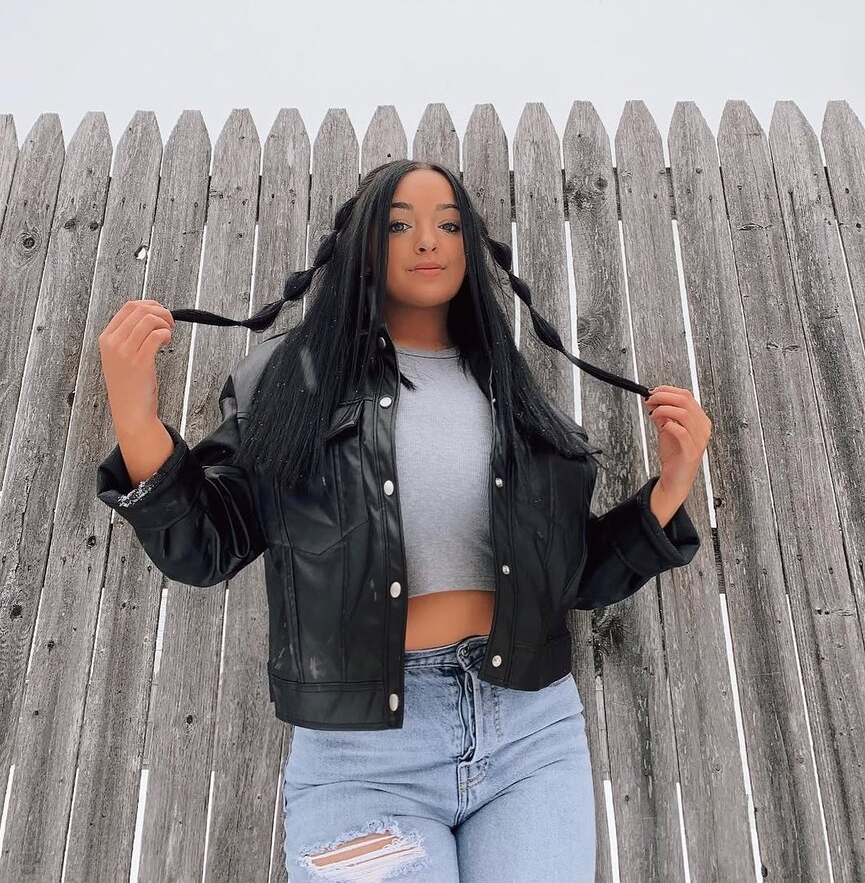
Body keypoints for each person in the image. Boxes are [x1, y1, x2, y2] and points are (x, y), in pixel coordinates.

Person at [96, 160, 711, 882]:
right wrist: (135, 417)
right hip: (360, 758)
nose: (428, 240)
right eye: (399, 225)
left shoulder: (508, 385)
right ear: (361, 242)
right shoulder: (290, 377)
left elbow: (571, 580)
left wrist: (672, 483)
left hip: (532, 732)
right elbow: (206, 545)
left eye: (448, 224)